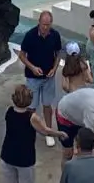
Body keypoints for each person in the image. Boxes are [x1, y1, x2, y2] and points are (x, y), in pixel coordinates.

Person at [19, 8, 64, 139]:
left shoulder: (55, 35)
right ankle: (29, 131)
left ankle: (48, 132)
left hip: (48, 77)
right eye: (43, 24)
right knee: (31, 106)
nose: (45, 27)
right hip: (33, 78)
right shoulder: (30, 35)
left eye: (48, 24)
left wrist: (54, 69)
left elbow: (58, 53)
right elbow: (22, 55)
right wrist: (32, 68)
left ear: (51, 24)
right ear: (39, 22)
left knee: (47, 105)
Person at [0, 84, 38, 183]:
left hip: (7, 155)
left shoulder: (9, 112)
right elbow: (45, 131)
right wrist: (58, 133)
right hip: (25, 158)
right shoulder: (32, 117)